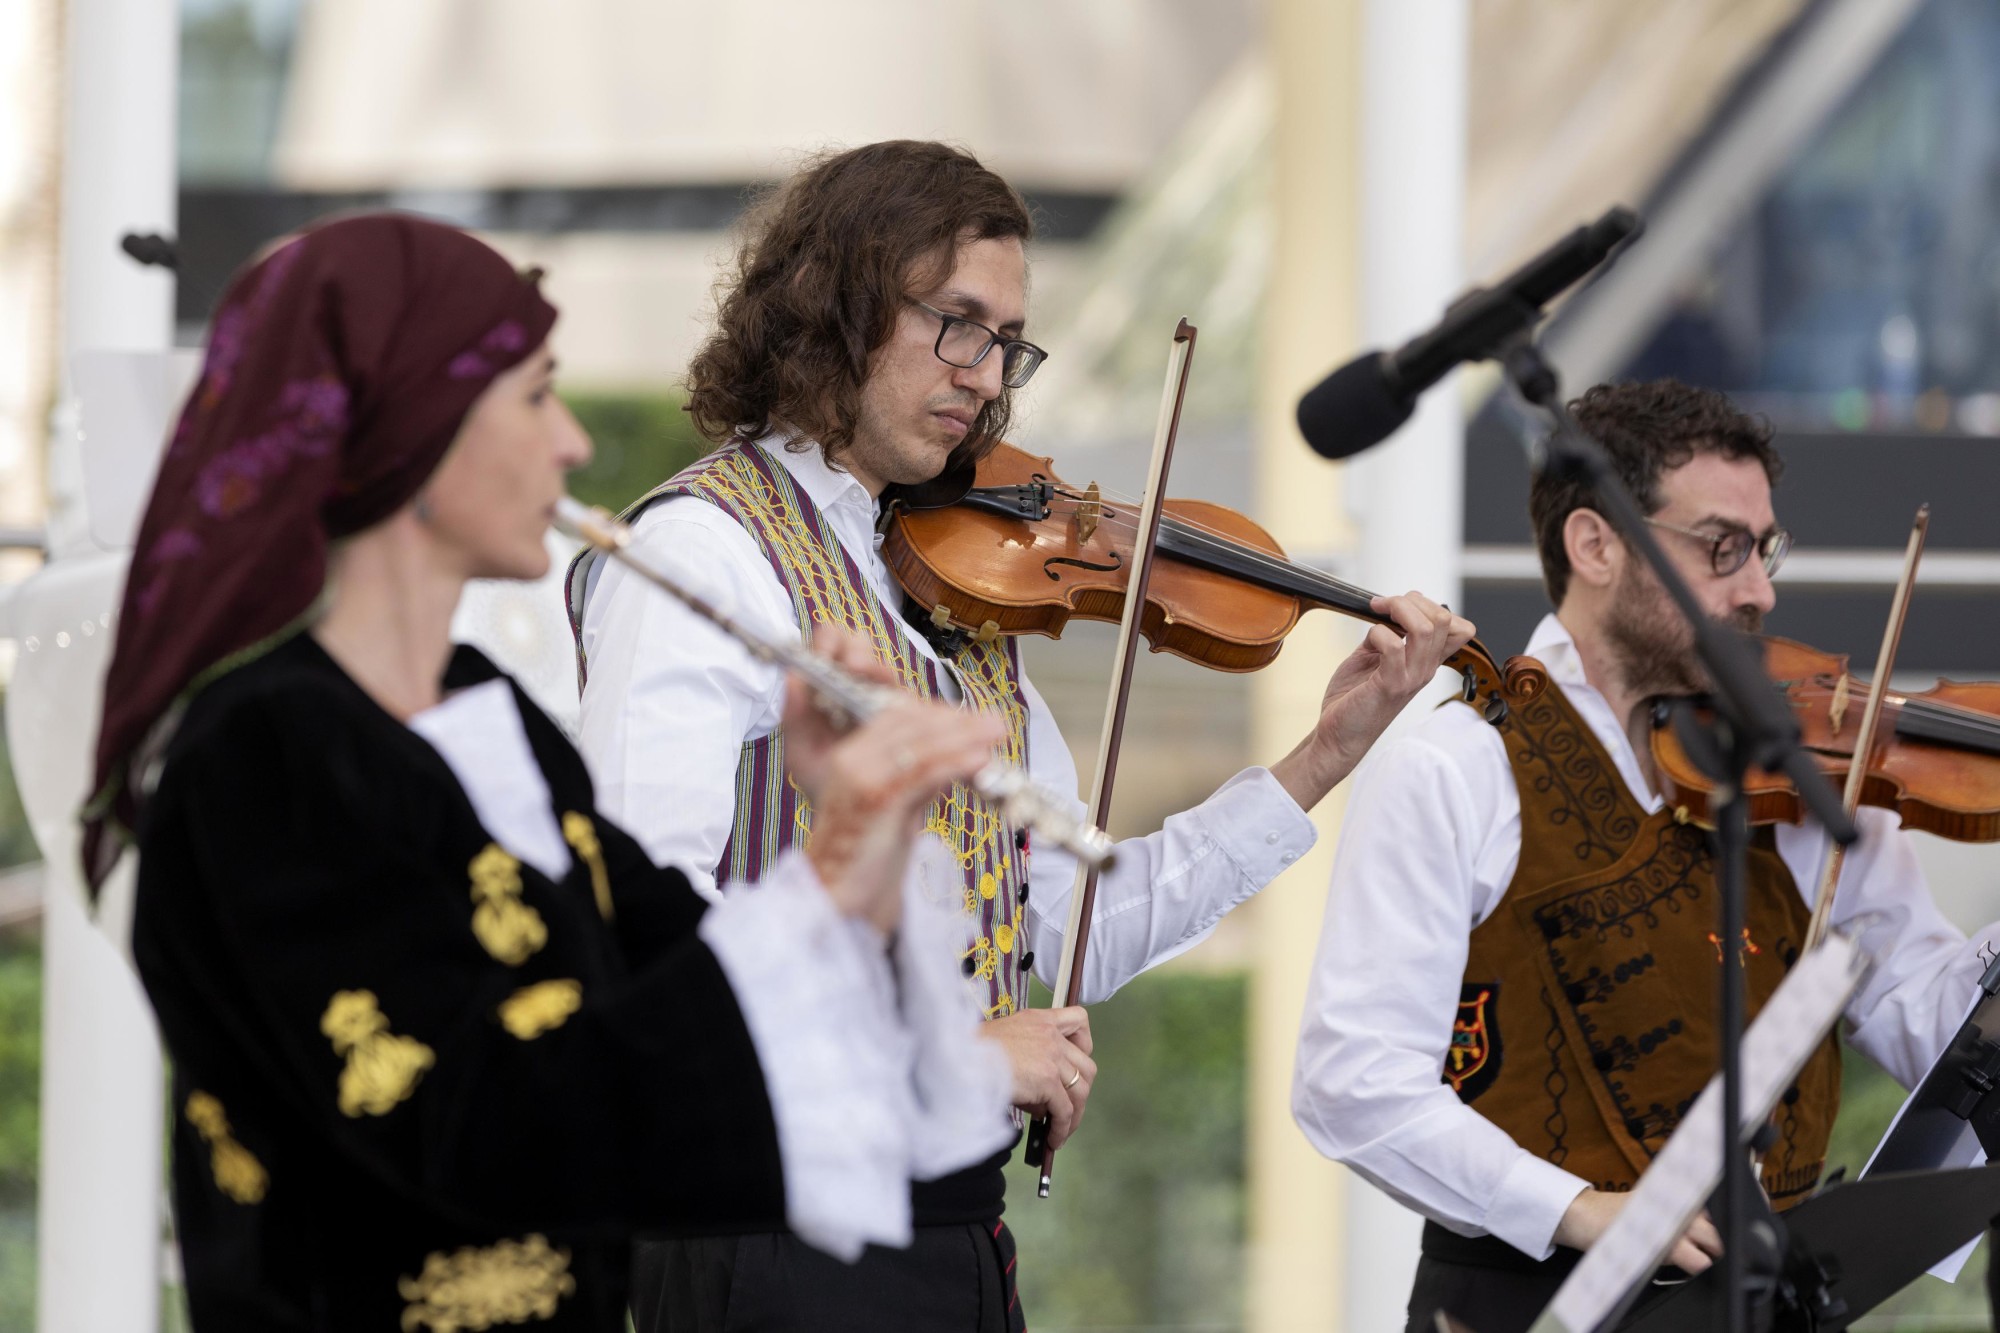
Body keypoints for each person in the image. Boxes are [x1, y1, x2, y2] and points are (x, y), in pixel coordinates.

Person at [566, 139, 1474, 1332]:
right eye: (955, 323)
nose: (985, 375)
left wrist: (1320, 758)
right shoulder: (704, 554)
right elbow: (643, 944)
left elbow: (1073, 924)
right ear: (831, 305)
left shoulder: (950, 602)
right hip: (769, 1225)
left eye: (1005, 341)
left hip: (947, 1231)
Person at [85, 213, 1020, 1332]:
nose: (571, 442)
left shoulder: (491, 718)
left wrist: (860, 832)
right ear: (412, 428)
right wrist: (825, 866)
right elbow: (481, 1132)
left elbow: (691, 1000)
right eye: (534, 396)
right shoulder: (261, 756)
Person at [1290, 378, 2000, 1332]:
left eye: (1764, 548)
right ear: (1596, 545)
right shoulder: (1454, 767)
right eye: (1723, 549)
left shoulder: (1806, 774)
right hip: (1521, 1302)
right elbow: (1352, 1080)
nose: (1760, 589)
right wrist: (1575, 1210)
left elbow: (1927, 1016)